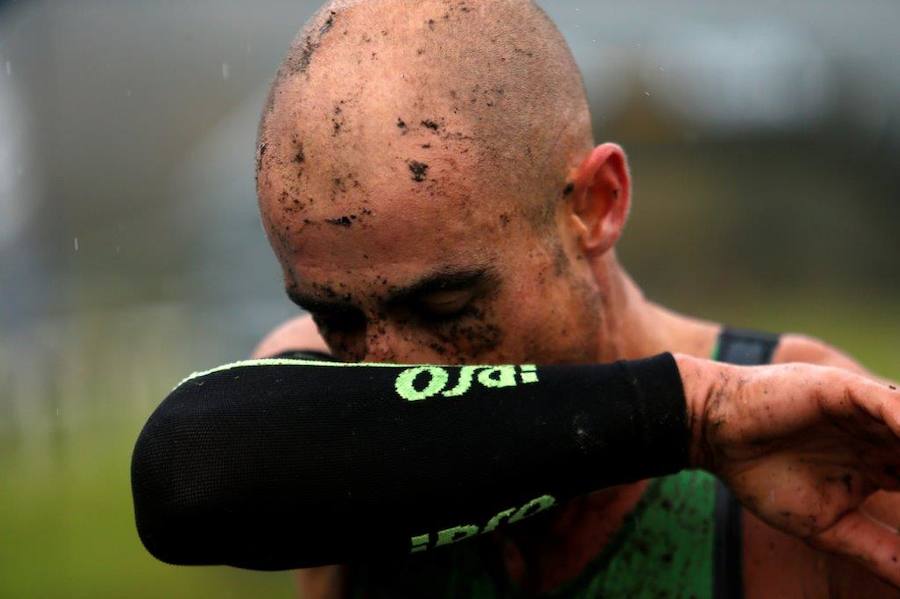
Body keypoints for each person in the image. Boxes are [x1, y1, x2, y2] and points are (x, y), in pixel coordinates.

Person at [251, 1, 900, 596]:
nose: (389, 373)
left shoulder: (822, 455)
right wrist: (691, 417)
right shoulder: (314, 413)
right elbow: (183, 475)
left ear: (596, 204)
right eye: (336, 318)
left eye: (446, 305)